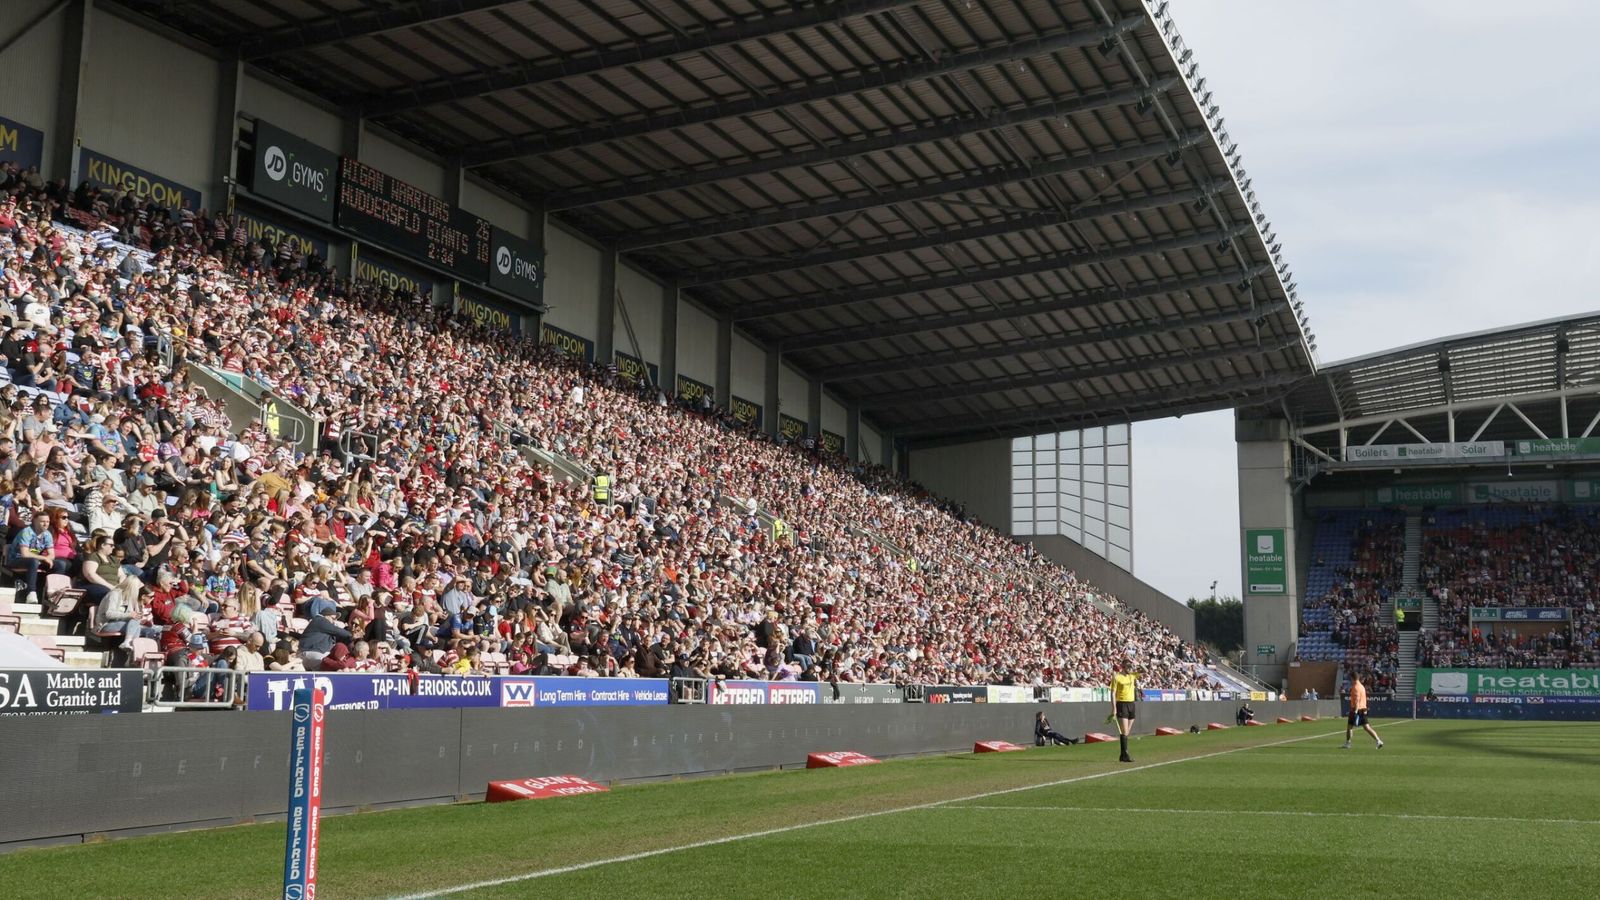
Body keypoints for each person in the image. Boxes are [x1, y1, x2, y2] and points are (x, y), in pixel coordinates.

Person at [1343, 672, 1384, 750]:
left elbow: (1357, 701)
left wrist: (1355, 711)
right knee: (1367, 727)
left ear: (1352, 678)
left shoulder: (1355, 687)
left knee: (1350, 727)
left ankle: (1348, 744)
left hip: (1356, 709)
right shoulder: (1361, 686)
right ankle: (1378, 740)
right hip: (1363, 709)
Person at [1111, 657, 1138, 762]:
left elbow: (1145, 670)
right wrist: (1114, 708)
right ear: (1123, 667)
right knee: (1125, 731)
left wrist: (1135, 662)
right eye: (1128, 666)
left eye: (1130, 666)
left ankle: (1122, 755)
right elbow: (1113, 693)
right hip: (1122, 704)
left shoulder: (1132, 676)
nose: (1130, 668)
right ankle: (1125, 755)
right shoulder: (1117, 677)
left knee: (1126, 732)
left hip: (1131, 704)